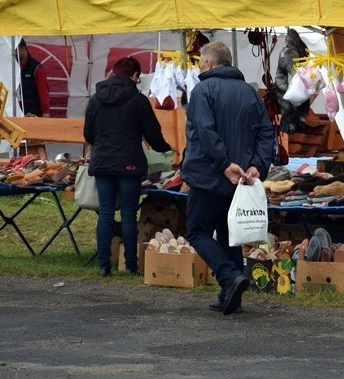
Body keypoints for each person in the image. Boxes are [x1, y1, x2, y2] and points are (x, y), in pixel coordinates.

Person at [182, 41, 275, 316]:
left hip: (209, 175)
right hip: (241, 176)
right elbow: (266, 133)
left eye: (200, 61)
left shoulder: (202, 90)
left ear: (209, 63)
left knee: (197, 231)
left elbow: (206, 132)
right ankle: (230, 296)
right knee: (228, 235)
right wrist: (257, 165)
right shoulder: (250, 93)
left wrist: (223, 164)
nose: (199, 66)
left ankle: (228, 277)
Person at [83, 56, 172, 277]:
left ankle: (104, 265)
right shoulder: (138, 100)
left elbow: (88, 134)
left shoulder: (95, 99)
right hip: (130, 163)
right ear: (134, 76)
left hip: (103, 162)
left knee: (105, 212)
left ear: (113, 73)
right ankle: (130, 265)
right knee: (129, 213)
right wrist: (166, 149)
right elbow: (152, 133)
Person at [17, 39, 50, 117]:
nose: (14, 53)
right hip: (17, 115)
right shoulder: (13, 67)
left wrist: (46, 113)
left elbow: (43, 92)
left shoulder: (36, 68)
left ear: (23, 49)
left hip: (33, 115)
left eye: (16, 50)